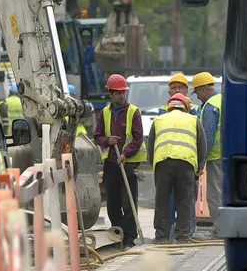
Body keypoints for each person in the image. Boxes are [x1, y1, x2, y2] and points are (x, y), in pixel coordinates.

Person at [94, 73, 144, 247]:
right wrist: (107, 141)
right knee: (113, 203)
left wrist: (126, 153)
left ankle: (130, 237)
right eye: (118, 93)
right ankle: (117, 234)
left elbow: (138, 138)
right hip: (111, 165)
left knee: (128, 203)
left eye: (123, 92)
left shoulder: (133, 112)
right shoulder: (104, 114)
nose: (122, 95)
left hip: (128, 165)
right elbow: (97, 135)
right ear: (111, 94)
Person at [146, 94, 203, 244]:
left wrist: (155, 167)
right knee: (184, 201)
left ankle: (161, 237)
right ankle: (183, 237)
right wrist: (199, 168)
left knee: (162, 201)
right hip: (186, 164)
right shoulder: (193, 120)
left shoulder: (158, 120)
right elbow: (202, 146)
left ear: (169, 108)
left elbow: (150, 147)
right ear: (185, 108)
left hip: (163, 163)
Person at [193, 71, 223, 231]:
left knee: (214, 195)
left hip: (216, 157)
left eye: (197, 92)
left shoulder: (211, 107)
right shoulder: (223, 100)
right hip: (228, 155)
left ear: (203, 90)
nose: (197, 96)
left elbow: (207, 138)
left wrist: (200, 162)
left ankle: (220, 229)